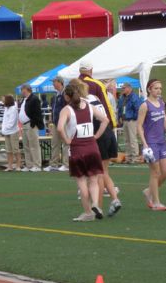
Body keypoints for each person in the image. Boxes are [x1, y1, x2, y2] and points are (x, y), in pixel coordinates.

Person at [58, 82, 108, 221]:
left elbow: (60, 128)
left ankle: (87, 212)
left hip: (77, 149)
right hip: (92, 148)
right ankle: (96, 204)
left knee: (81, 181)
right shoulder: (89, 105)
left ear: (67, 97)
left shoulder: (66, 110)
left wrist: (67, 140)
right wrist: (96, 136)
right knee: (93, 180)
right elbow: (105, 120)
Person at [77, 61, 121, 216]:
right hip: (108, 133)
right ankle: (115, 199)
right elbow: (107, 114)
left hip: (100, 134)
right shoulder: (95, 96)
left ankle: (98, 207)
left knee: (98, 173)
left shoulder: (83, 102)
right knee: (104, 171)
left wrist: (93, 136)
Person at [138, 79, 166, 211]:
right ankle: (156, 202)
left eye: (160, 88)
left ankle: (149, 191)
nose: (159, 91)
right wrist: (144, 144)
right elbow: (139, 126)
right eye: (156, 88)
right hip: (151, 143)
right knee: (155, 173)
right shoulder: (145, 105)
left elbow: (164, 122)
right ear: (149, 89)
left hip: (162, 142)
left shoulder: (162, 103)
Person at [45, 77, 69, 171]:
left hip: (64, 122)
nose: (53, 84)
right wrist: (51, 119)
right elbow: (54, 109)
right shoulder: (56, 95)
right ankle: (54, 164)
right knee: (55, 143)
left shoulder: (65, 94)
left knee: (65, 143)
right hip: (56, 123)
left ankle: (66, 164)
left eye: (54, 82)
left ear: (60, 82)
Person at [18, 84, 43, 172]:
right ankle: (29, 165)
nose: (21, 91)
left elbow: (37, 112)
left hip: (30, 124)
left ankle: (37, 164)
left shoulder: (34, 99)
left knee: (34, 145)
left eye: (22, 89)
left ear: (27, 89)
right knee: (26, 146)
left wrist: (33, 123)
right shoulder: (24, 99)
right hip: (24, 125)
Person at [118, 83, 141, 163]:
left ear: (129, 88)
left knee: (133, 139)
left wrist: (134, 118)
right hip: (125, 120)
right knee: (127, 140)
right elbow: (120, 108)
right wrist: (119, 117)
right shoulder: (122, 97)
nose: (122, 89)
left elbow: (138, 109)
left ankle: (135, 157)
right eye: (122, 88)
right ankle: (128, 157)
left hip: (131, 120)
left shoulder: (134, 97)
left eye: (124, 88)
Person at [0, 94, 21, 171]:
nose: (3, 101)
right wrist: (3, 129)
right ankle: (10, 166)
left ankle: (18, 165)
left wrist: (5, 128)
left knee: (15, 149)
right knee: (8, 150)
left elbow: (12, 122)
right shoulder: (6, 108)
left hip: (13, 131)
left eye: (4, 99)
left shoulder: (13, 109)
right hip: (6, 132)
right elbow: (4, 120)